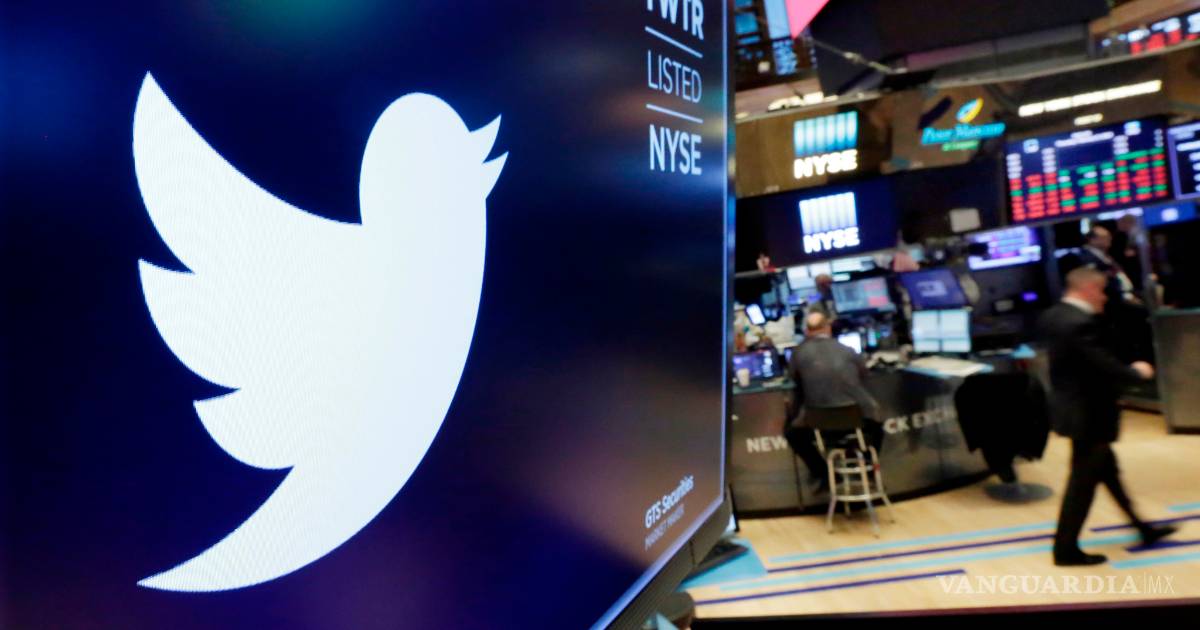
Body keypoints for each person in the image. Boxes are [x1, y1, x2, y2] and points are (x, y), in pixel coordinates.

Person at [1038, 267, 1175, 566]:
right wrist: (1137, 373)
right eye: (1100, 291)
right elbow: (1102, 365)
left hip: (1072, 409)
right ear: (1087, 289)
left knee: (1108, 474)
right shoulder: (1079, 323)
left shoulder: (1053, 316)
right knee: (1082, 484)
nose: (1103, 298)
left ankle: (1143, 528)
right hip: (1090, 414)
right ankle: (1065, 549)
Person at [783, 312, 883, 491]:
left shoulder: (798, 354)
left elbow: (795, 383)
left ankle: (825, 474)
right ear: (828, 328)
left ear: (807, 331)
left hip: (819, 423)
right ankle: (866, 469)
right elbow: (864, 376)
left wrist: (793, 415)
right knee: (878, 427)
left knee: (792, 433)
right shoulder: (848, 350)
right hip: (856, 419)